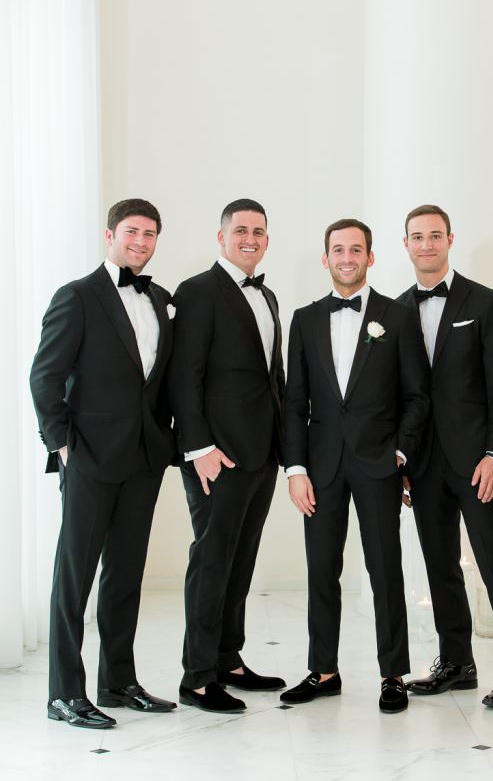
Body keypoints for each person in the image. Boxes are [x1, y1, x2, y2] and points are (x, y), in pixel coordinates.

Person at [30, 198, 177, 729]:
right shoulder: (78, 296)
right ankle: (63, 694)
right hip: (89, 457)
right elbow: (45, 377)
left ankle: (117, 681)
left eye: (150, 234)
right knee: (74, 579)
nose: (141, 241)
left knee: (125, 575)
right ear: (110, 234)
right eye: (132, 232)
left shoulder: (160, 298)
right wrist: (63, 446)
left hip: (143, 459)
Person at [281, 218, 430, 714]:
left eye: (356, 249)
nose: (347, 257)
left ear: (371, 257)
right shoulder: (303, 319)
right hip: (319, 466)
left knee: (385, 568)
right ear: (325, 258)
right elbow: (293, 400)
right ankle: (323, 670)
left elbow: (416, 395)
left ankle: (394, 675)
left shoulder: (399, 316)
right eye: (338, 249)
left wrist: (401, 451)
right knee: (322, 569)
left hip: (379, 464)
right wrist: (295, 468)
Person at [397, 204, 493, 708]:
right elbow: (397, 396)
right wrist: (402, 464)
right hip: (424, 464)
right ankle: (456, 661)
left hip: (478, 460)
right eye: (417, 236)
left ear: (450, 240)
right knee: (439, 565)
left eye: (435, 235)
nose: (427, 244)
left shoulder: (486, 302)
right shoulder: (393, 311)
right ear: (405, 245)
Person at [170, 199, 285, 714]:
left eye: (259, 231)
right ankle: (196, 678)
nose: (250, 238)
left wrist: (284, 450)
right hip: (215, 455)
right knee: (212, 560)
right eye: (241, 230)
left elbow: (270, 379)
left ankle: (227, 659)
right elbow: (184, 376)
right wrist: (199, 447)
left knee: (241, 561)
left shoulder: (270, 297)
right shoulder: (196, 292)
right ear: (221, 237)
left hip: (260, 455)